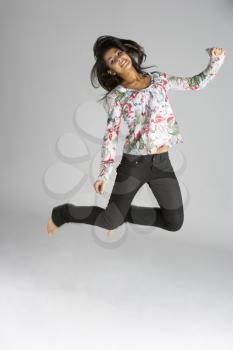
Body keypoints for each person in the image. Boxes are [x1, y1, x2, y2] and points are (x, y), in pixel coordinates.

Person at [47, 35, 226, 237]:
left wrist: (215, 60)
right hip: (134, 165)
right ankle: (62, 214)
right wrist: (104, 173)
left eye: (118, 52)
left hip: (162, 163)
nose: (118, 58)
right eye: (112, 60)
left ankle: (124, 213)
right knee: (110, 221)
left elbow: (195, 83)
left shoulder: (159, 80)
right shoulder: (117, 96)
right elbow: (111, 135)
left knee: (174, 222)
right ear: (110, 70)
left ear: (126, 52)